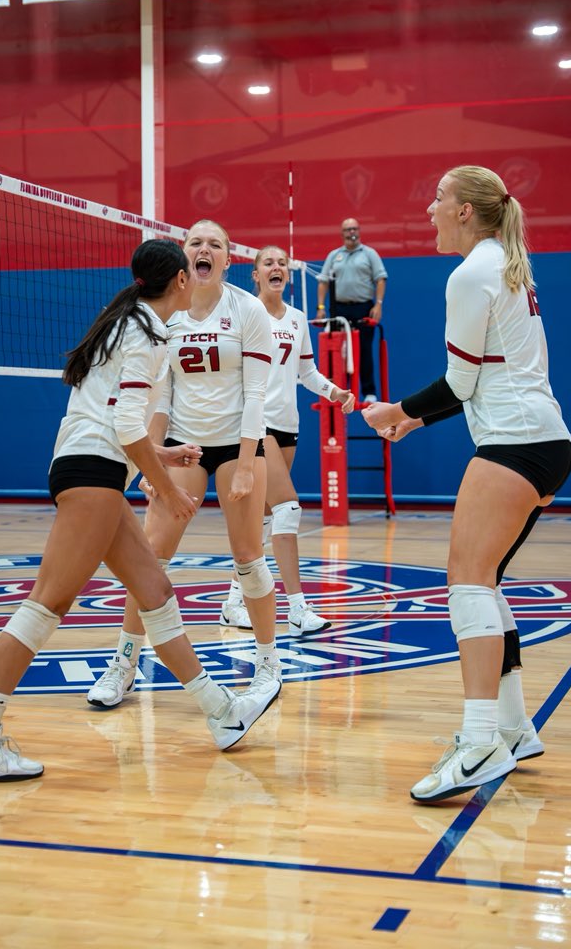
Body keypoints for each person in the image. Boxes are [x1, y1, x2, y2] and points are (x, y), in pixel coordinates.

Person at [0, 239, 281, 781]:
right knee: (47, 604)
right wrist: (168, 489)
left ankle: (223, 714)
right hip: (92, 474)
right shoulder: (146, 333)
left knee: (156, 591)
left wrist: (162, 454)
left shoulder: (128, 321)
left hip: (96, 468)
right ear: (179, 280)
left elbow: (113, 416)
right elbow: (124, 427)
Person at [362, 166, 571, 804]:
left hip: (516, 443)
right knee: (486, 579)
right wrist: (412, 422)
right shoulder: (505, 264)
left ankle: (479, 740)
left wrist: (391, 413)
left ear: (464, 212)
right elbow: (477, 380)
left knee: (467, 582)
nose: (429, 208)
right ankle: (513, 728)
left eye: (438, 198)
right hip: (544, 441)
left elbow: (460, 383)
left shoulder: (472, 272)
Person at [86, 220, 282, 710]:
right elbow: (159, 395)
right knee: (148, 559)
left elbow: (256, 393)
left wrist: (244, 463)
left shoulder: (248, 309)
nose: (204, 249)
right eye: (195, 242)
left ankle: (268, 664)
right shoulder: (164, 317)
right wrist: (149, 463)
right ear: (183, 259)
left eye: (215, 243)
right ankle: (123, 665)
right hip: (183, 446)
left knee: (248, 557)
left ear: (227, 258)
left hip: (238, 442)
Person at [221, 245, 355, 635]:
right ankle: (297, 609)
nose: (276, 267)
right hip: (255, 424)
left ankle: (232, 603)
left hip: (288, 425)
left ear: (287, 275)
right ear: (256, 274)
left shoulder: (298, 319)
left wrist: (335, 392)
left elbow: (308, 372)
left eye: (282, 263)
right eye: (268, 263)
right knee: (288, 509)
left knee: (262, 521)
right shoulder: (245, 312)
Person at [316, 218, 386, 403]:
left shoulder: (369, 254)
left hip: (363, 308)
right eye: (347, 229)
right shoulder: (334, 256)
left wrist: (378, 304)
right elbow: (323, 281)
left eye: (354, 228)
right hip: (338, 309)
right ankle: (340, 391)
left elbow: (380, 279)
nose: (351, 232)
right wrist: (321, 307)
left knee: (364, 350)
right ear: (342, 233)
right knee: (339, 352)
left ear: (359, 231)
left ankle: (369, 392)